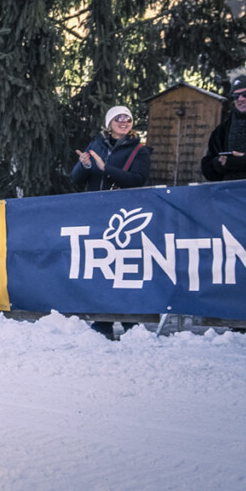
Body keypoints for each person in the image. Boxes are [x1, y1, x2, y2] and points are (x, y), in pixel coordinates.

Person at [72, 105, 152, 339]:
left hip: (124, 216)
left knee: (124, 268)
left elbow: (137, 180)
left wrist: (105, 168)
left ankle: (129, 321)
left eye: (127, 118)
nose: (124, 121)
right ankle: (102, 320)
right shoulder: (95, 145)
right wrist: (85, 165)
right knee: (100, 267)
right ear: (109, 123)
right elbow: (76, 179)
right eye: (118, 118)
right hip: (96, 213)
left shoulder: (139, 150)